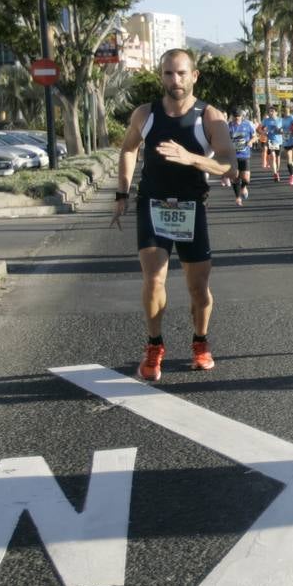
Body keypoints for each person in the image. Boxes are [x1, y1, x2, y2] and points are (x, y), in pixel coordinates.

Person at [110, 49, 235, 382]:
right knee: (154, 279)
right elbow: (128, 149)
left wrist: (190, 157)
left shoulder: (209, 116)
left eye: (181, 74)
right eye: (168, 73)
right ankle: (154, 346)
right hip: (153, 205)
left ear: (194, 76)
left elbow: (228, 166)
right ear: (160, 76)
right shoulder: (144, 114)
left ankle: (200, 341)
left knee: (198, 288)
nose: (174, 80)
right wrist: (122, 192)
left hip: (191, 207)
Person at [227, 108, 255, 206]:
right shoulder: (228, 126)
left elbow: (255, 136)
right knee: (235, 177)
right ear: (232, 117)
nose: (237, 118)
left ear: (242, 116)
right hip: (233, 156)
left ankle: (243, 187)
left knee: (246, 179)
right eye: (235, 117)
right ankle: (238, 197)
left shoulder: (248, 124)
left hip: (244, 154)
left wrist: (251, 141)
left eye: (238, 117)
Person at [278, 102, 293, 185]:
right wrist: (280, 130)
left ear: (290, 109)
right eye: (284, 108)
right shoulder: (281, 119)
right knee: (289, 158)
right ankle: (292, 176)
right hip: (286, 140)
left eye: (286, 108)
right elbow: (279, 129)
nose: (285, 109)